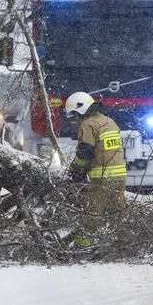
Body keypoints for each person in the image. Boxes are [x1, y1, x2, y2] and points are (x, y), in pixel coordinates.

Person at [64, 91, 126, 247]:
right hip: (120, 177)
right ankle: (127, 243)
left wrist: (74, 170)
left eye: (74, 115)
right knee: (119, 214)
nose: (75, 120)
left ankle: (82, 248)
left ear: (80, 109)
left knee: (90, 215)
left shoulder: (88, 124)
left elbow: (85, 152)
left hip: (102, 179)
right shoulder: (109, 122)